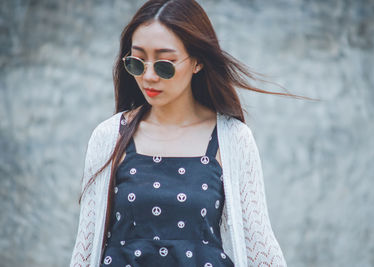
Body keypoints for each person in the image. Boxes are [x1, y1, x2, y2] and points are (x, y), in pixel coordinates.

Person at [70, 0, 294, 266]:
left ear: (197, 62)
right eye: (137, 63)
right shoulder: (109, 136)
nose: (149, 76)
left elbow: (261, 249)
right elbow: (84, 252)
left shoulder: (233, 139)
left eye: (164, 64)